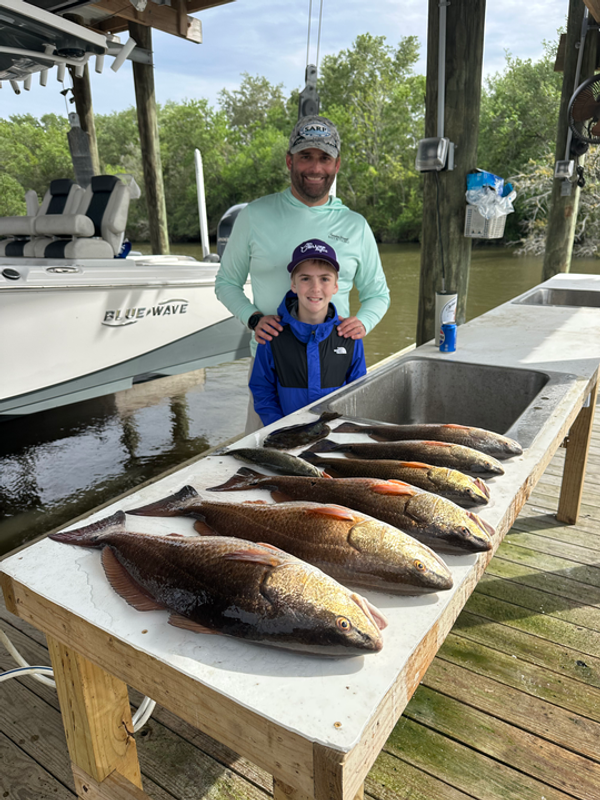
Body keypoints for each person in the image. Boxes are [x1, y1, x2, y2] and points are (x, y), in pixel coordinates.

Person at [214, 114, 390, 432]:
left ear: (337, 164)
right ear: (289, 161)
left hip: (337, 367)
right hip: (272, 367)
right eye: (306, 156)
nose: (315, 168)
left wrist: (362, 323)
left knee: (335, 466)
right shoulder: (254, 216)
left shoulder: (356, 225)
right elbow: (226, 282)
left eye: (324, 158)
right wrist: (253, 319)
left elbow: (377, 294)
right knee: (268, 466)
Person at [249, 239, 366, 426]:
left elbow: (358, 391)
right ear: (293, 285)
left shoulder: (349, 336)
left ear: (336, 286)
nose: (315, 288)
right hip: (287, 433)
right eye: (305, 278)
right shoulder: (273, 334)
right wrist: (279, 428)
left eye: (325, 279)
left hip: (336, 433)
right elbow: (262, 389)